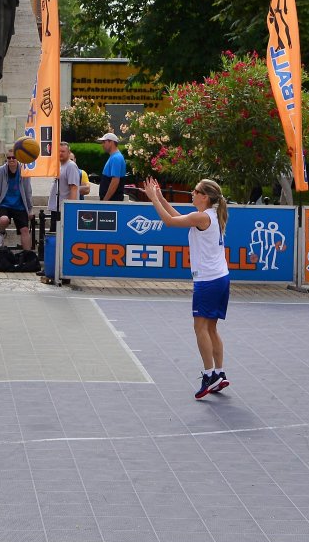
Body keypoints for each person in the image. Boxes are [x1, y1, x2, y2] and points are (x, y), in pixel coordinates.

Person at [141, 175, 232, 399]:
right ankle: (219, 373)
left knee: (200, 328)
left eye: (195, 191)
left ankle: (210, 375)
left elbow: (170, 222)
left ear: (204, 197)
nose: (192, 194)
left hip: (208, 281)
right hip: (221, 278)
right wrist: (161, 198)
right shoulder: (209, 215)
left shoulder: (202, 217)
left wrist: (153, 199)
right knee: (211, 329)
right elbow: (179, 217)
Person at [43, 144, 83, 284]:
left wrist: (70, 209)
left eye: (63, 151)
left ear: (69, 152)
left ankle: (62, 272)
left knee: (61, 241)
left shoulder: (71, 166)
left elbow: (73, 188)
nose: (60, 153)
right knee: (54, 240)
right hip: (56, 208)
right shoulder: (59, 165)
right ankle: (53, 268)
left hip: (63, 210)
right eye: (58, 151)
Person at [0, 146, 33, 254]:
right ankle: (2, 232)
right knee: (4, 219)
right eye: (9, 158)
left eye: (14, 157)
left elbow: (28, 191)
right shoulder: (0, 171)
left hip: (20, 205)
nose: (11, 160)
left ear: (18, 158)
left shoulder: (24, 171)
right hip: (4, 205)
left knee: (25, 230)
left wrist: (30, 209)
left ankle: (27, 256)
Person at [98, 132, 127, 201]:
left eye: (104, 142)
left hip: (112, 201)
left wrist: (105, 200)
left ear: (111, 142)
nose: (102, 145)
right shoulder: (114, 157)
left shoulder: (116, 158)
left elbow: (115, 181)